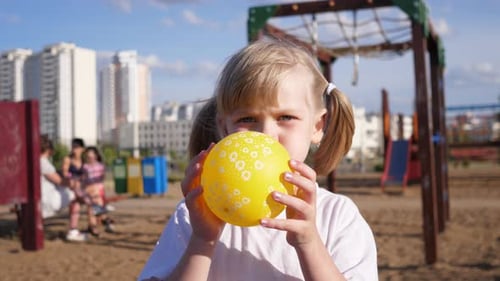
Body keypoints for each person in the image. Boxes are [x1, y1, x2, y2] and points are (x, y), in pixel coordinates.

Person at [139, 40, 378, 280]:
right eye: (247, 119)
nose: (266, 135)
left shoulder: (337, 216)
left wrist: (309, 242)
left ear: (317, 126)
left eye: (285, 117)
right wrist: (203, 239)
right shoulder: (196, 213)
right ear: (225, 128)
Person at [40, 135, 88, 242]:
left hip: (33, 199)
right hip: (45, 200)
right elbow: (61, 181)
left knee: (75, 193)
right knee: (75, 197)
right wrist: (75, 183)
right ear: (49, 150)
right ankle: (73, 231)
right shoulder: (43, 162)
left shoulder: (32, 161)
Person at [82, 146, 115, 236]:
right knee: (93, 209)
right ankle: (94, 226)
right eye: (88, 156)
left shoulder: (100, 166)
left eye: (91, 156)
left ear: (96, 156)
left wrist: (97, 188)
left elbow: (101, 178)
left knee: (96, 210)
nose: (89, 158)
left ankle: (99, 224)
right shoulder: (85, 166)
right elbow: (83, 179)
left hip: (98, 190)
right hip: (89, 190)